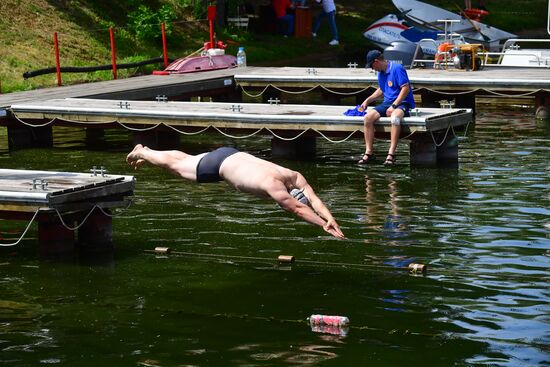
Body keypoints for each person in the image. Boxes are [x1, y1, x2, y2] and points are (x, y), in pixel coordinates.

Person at [127, 144, 345, 239]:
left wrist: (330, 218)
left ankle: (149, 151)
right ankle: (144, 153)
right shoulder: (275, 187)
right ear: (291, 194)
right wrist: (323, 225)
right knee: (177, 168)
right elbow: (298, 209)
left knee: (185, 161)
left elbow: (314, 200)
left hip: (230, 154)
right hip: (220, 167)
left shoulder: (294, 176)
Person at [358, 50, 415, 166]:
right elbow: (382, 89)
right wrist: (368, 100)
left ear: (377, 61)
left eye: (372, 66)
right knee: (368, 118)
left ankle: (391, 154)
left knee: (394, 118)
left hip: (402, 102)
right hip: (387, 103)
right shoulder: (380, 72)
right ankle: (369, 152)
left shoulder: (397, 68)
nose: (372, 69)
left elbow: (405, 88)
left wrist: (394, 106)